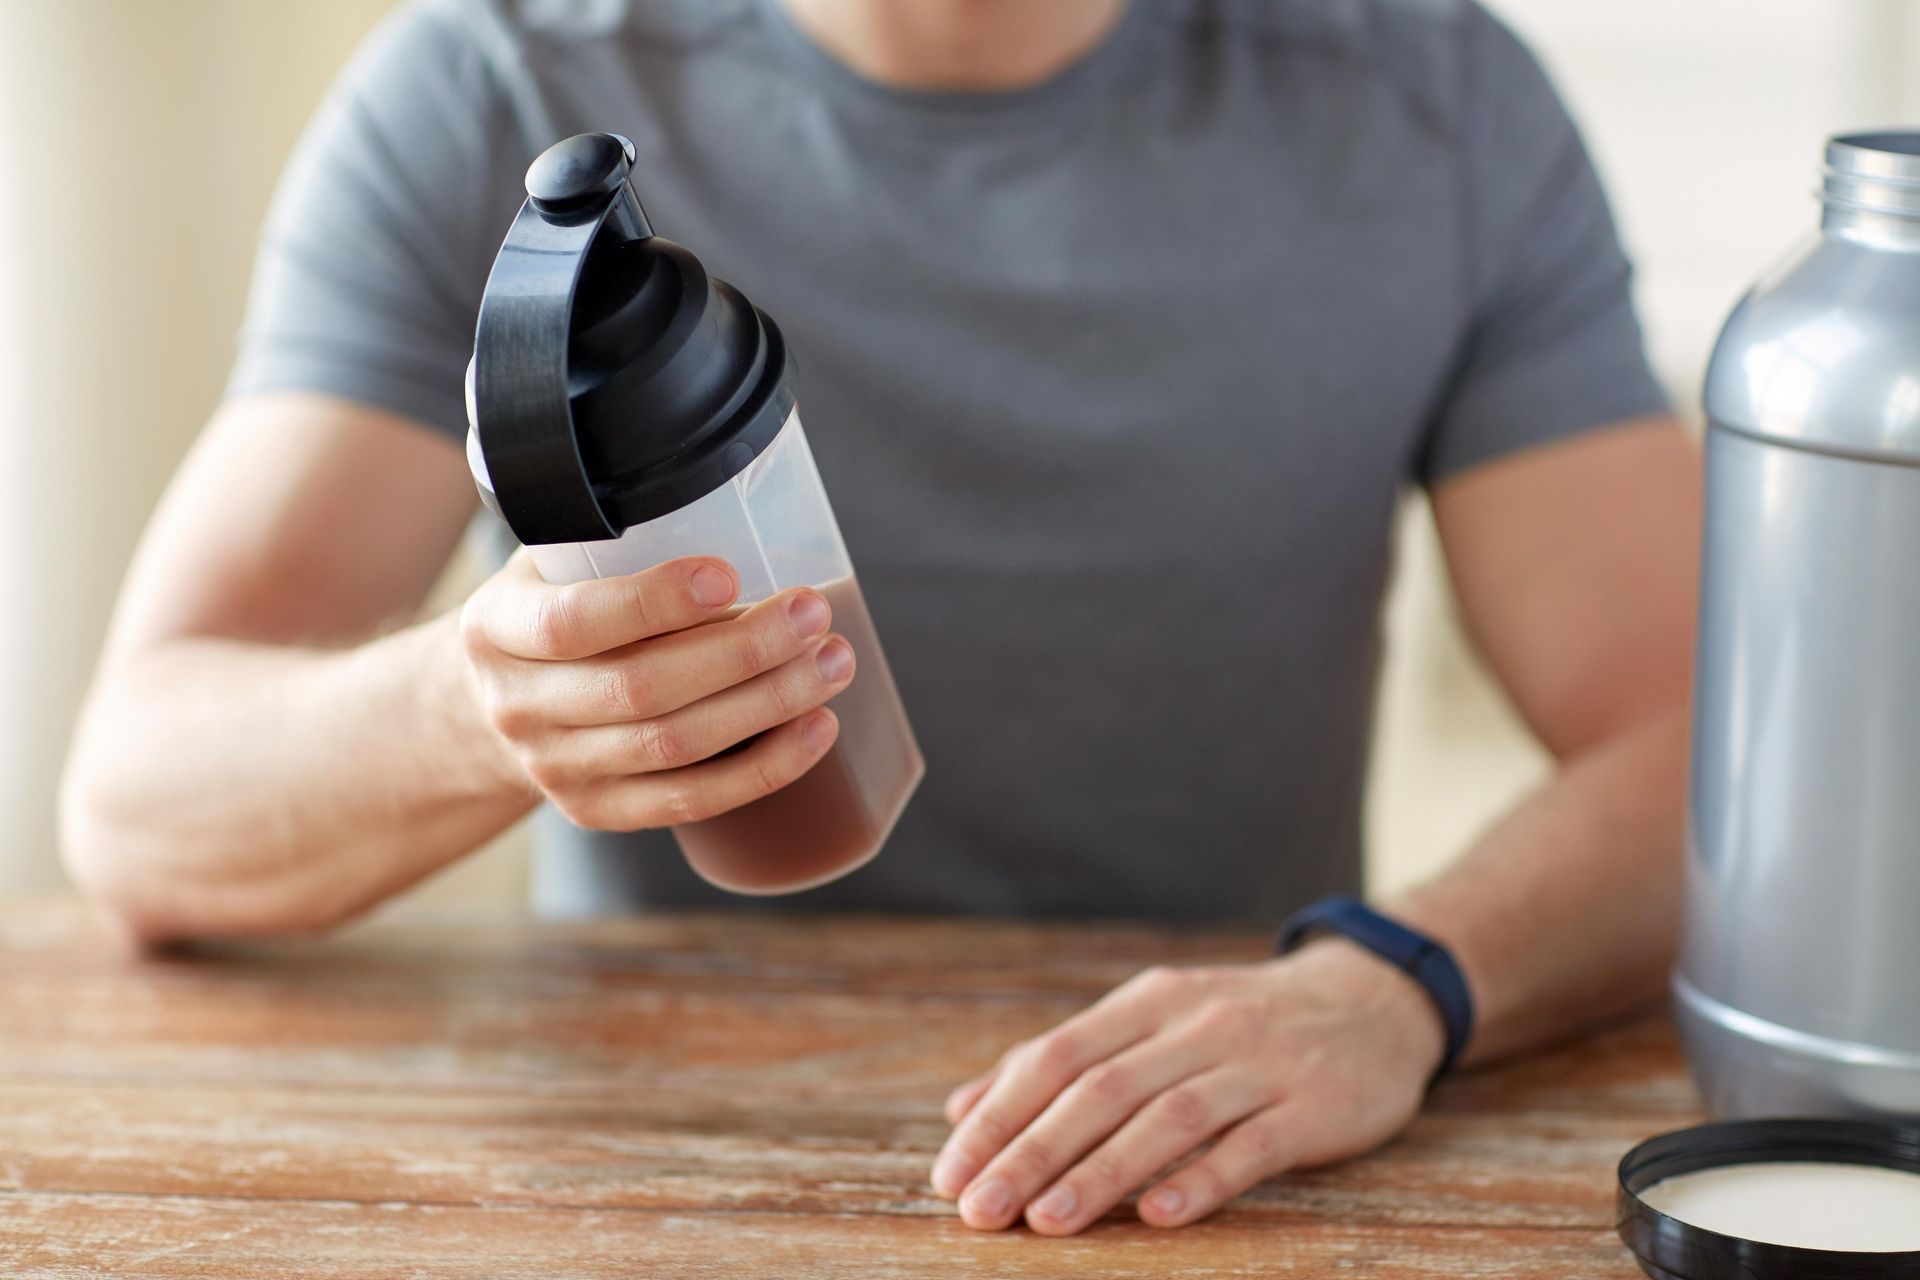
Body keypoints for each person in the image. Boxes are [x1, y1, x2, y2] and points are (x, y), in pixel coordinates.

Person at [59, 0, 1700, 1237]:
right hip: (659, 1184)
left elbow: (1707, 753)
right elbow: (138, 809)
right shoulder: (498, 85)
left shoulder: (1433, 98)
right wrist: (473, 705)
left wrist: (1389, 987)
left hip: (1218, 1170)